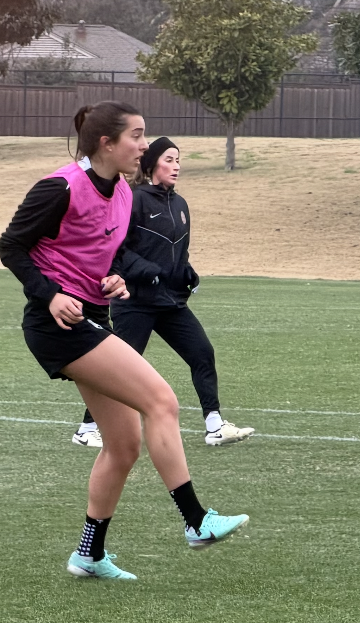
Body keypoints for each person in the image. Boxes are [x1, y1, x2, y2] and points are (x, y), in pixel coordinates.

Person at [0, 101, 248, 581]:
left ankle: (88, 553)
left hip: (91, 316)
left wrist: (114, 278)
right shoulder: (59, 187)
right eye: (136, 135)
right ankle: (197, 520)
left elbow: (101, 254)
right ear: (106, 143)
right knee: (161, 400)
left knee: (124, 444)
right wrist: (50, 295)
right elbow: (12, 245)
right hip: (57, 325)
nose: (145, 145)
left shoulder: (125, 194)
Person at [70, 136, 254, 448]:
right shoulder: (133, 198)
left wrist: (187, 273)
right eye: (169, 159)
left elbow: (176, 255)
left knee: (202, 353)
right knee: (118, 369)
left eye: (178, 160)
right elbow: (118, 248)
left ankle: (215, 426)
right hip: (135, 302)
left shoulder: (180, 205)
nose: (176, 166)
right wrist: (149, 272)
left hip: (170, 303)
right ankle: (87, 428)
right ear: (152, 164)